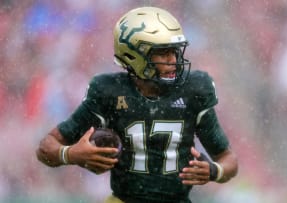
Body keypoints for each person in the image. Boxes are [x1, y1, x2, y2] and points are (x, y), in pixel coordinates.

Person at [36, 6, 238, 203]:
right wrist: (71, 154)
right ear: (135, 56)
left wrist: (214, 171)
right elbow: (46, 147)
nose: (173, 60)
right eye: (163, 53)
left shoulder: (193, 90)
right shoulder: (109, 92)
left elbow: (229, 160)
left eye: (174, 51)